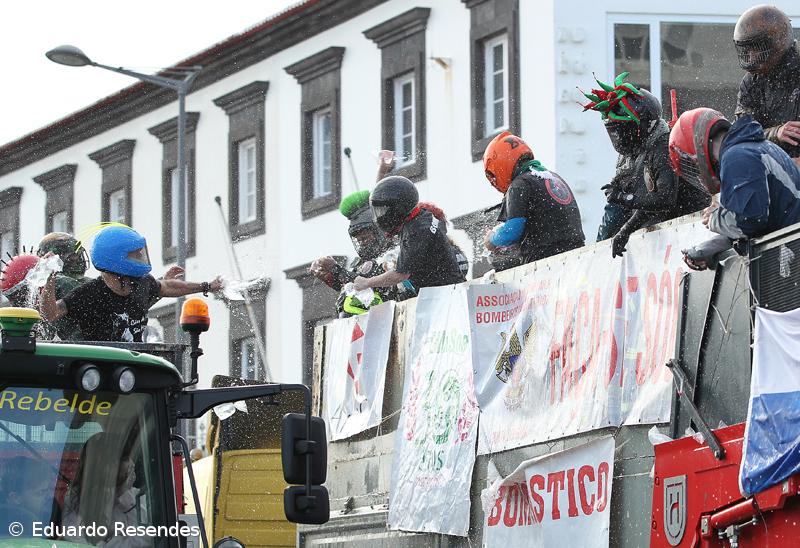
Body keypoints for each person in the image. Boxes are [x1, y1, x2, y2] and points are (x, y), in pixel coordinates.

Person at [582, 73, 710, 256]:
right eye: (614, 133)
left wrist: (624, 199)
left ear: (641, 126)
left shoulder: (662, 147)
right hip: (677, 232)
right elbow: (645, 203)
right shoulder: (639, 151)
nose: (618, 139)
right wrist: (624, 231)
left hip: (694, 229)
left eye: (622, 131)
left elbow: (663, 199)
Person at [40, 226, 222, 342]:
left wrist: (206, 286)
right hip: (99, 370)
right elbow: (51, 313)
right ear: (115, 258)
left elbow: (166, 287)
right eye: (134, 254)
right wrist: (49, 279)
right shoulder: (87, 293)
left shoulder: (141, 283)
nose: (140, 258)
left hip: (133, 365)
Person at [669, 107, 800, 269]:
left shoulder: (737, 157)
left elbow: (751, 221)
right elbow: (765, 218)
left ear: (695, 154)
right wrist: (714, 246)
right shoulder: (756, 147)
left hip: (792, 253)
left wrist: (715, 219)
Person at [481, 131, 584, 270]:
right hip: (577, 258)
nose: (493, 181)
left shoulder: (519, 185)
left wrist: (491, 239)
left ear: (500, 163)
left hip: (547, 263)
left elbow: (511, 232)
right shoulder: (553, 177)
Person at [353, 176, 466, 293]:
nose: (379, 216)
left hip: (443, 294)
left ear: (397, 208)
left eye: (381, 211)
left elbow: (400, 275)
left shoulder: (415, 231)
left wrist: (367, 283)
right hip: (450, 288)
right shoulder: (423, 215)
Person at [310, 190, 401, 317]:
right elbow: (354, 291)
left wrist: (337, 270)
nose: (361, 240)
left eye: (364, 234)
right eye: (357, 236)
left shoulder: (395, 253)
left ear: (379, 229)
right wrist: (330, 278)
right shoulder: (359, 263)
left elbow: (370, 285)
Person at [734, 5, 800, 161]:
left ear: (776, 42)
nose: (751, 56)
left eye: (756, 48)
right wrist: (776, 133)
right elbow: (741, 133)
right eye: (747, 49)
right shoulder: (751, 82)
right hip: (773, 164)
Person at [63, 433, 150, 547]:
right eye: (122, 459)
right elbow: (74, 541)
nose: (130, 464)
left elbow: (146, 539)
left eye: (125, 458)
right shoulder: (75, 497)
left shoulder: (137, 497)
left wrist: (124, 494)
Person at [36, 232, 91, 339]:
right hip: (80, 344)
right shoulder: (62, 282)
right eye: (73, 257)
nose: (78, 260)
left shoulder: (47, 281)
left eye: (79, 255)